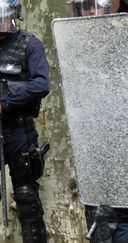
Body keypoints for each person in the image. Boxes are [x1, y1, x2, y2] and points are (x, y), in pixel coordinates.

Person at [0, 0, 51, 242]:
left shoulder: (30, 44)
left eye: (0, 17)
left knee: (26, 198)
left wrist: (5, 104)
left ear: (13, 15)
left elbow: (41, 84)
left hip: (19, 132)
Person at [67, 1, 128, 242]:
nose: (89, 12)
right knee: (98, 219)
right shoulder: (78, 44)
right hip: (94, 149)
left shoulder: (120, 35)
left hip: (120, 144)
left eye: (91, 5)